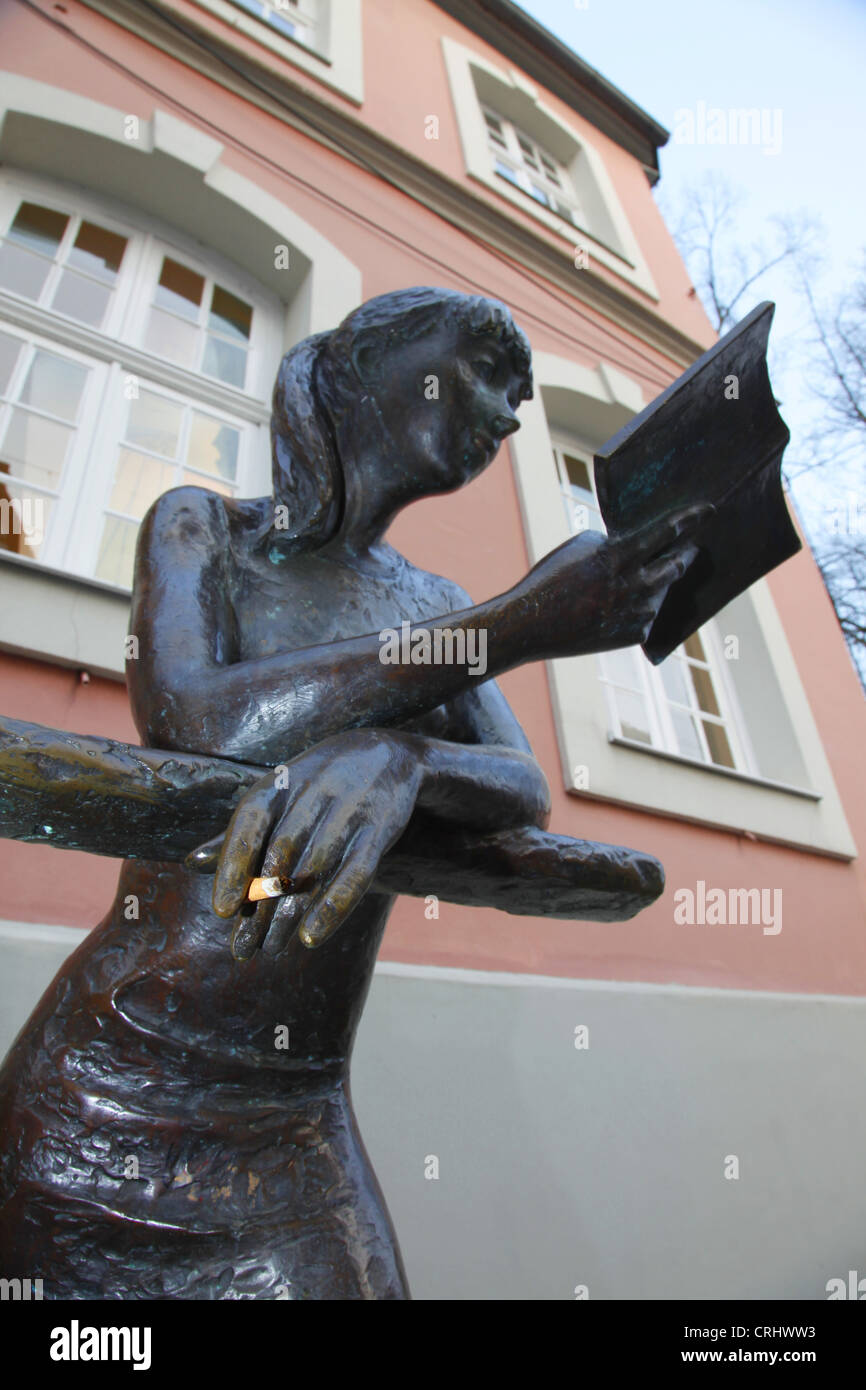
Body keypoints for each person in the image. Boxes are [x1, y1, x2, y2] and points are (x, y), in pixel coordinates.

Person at [0, 288, 701, 1299]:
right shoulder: (207, 529)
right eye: (483, 369)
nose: (506, 417)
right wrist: (511, 627)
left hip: (290, 1111)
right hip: (101, 1091)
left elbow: (520, 788)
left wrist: (399, 760)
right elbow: (199, 721)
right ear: (365, 363)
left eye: (517, 397)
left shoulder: (431, 601)